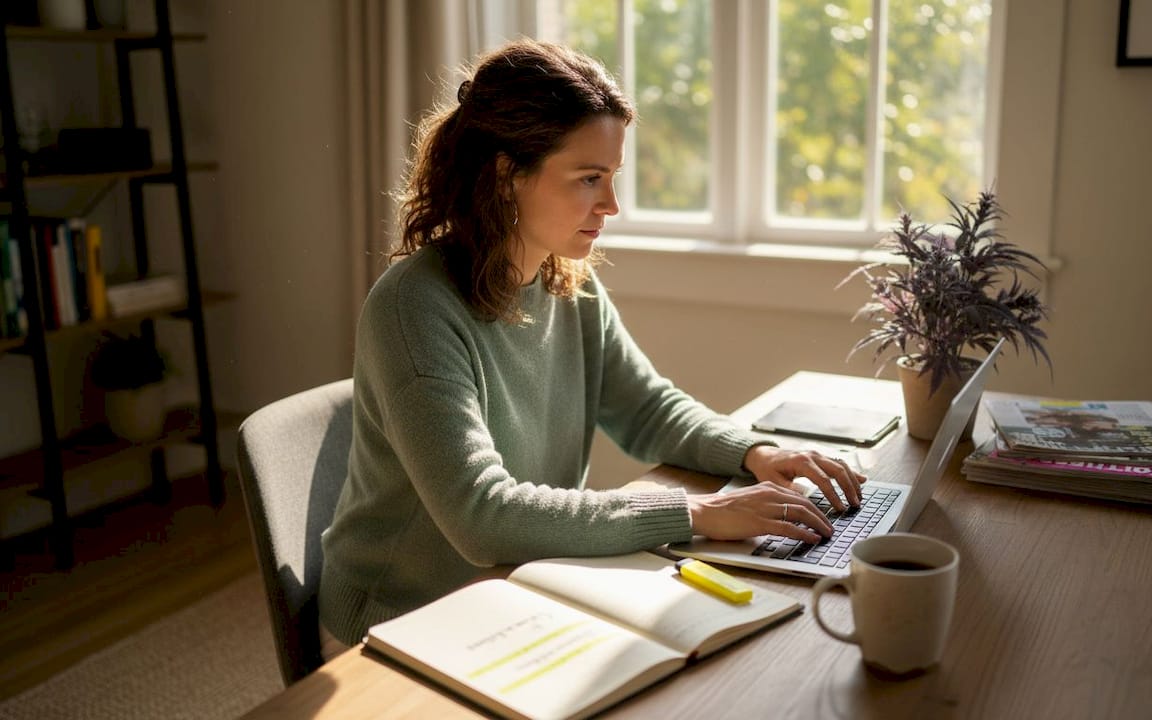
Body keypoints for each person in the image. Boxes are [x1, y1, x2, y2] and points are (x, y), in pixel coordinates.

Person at [317, 39, 865, 652]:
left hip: (518, 586)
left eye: (612, 178)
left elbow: (646, 409)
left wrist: (754, 453)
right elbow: (481, 516)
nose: (611, 206)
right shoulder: (414, 308)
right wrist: (693, 515)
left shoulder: (565, 281)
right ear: (506, 175)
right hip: (402, 618)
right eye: (589, 179)